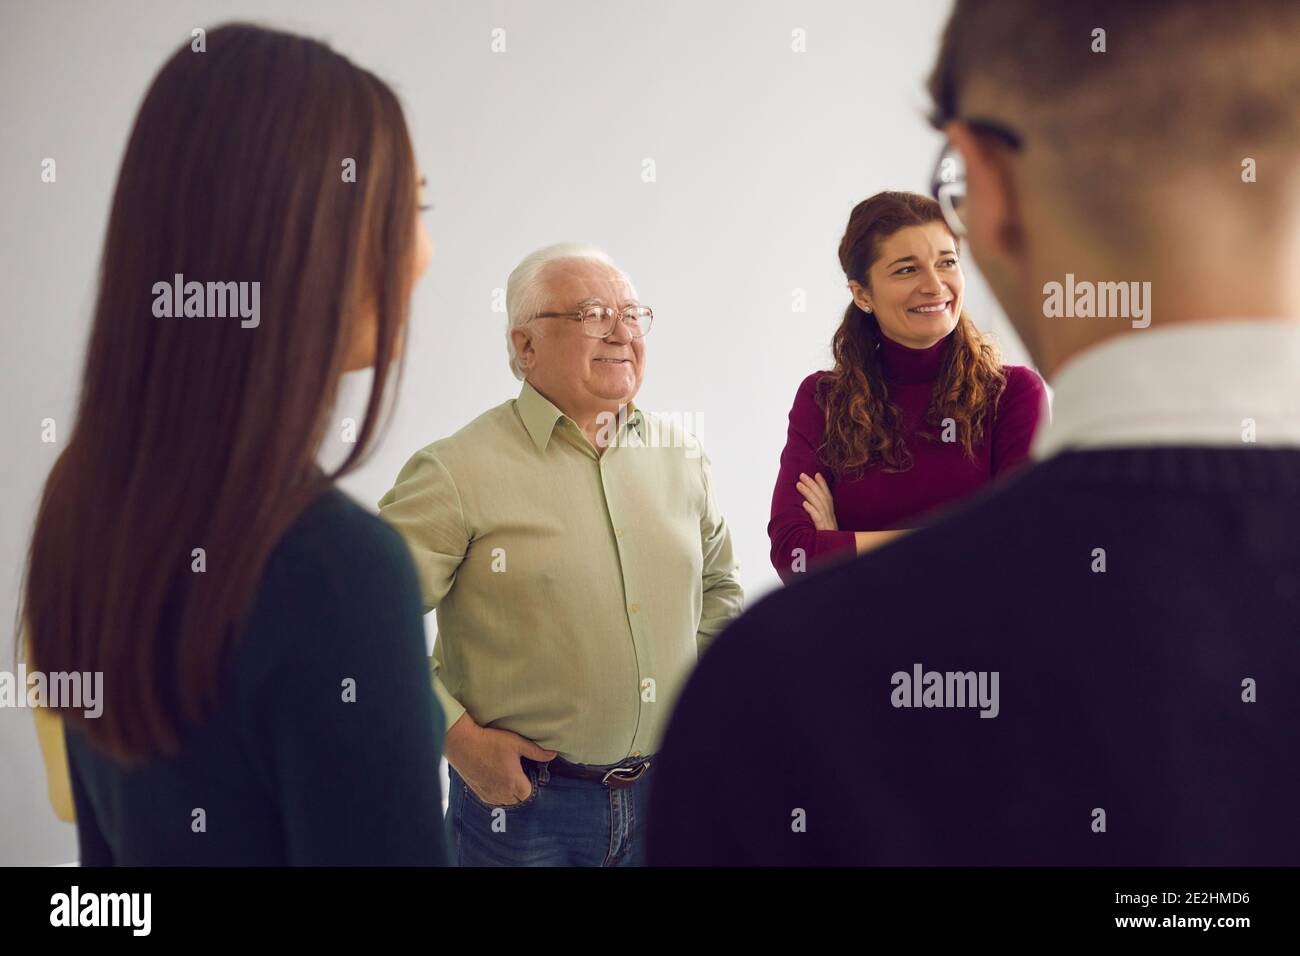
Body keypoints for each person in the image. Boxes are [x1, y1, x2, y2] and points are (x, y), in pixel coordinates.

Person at [648, 0, 1300, 865]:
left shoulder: (775, 691)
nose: (933, 282)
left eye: (941, 256)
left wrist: (857, 536)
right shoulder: (827, 412)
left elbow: (830, 550)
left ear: (981, 193)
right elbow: (797, 544)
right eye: (906, 266)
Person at [22, 23, 447, 865]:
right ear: (298, 237)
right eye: (408, 210)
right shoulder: (338, 573)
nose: (423, 255)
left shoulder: (84, 497)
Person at [378, 242, 744, 866]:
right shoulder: (455, 471)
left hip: (668, 795)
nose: (622, 332)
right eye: (593, 313)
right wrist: (458, 738)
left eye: (633, 314)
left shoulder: (681, 454)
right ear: (525, 347)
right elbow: (362, 625)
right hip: (523, 812)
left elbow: (719, 591)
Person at [768, 191, 1045, 583]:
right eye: (906, 270)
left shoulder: (1013, 393)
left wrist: (842, 544)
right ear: (862, 295)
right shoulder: (822, 400)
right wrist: (964, 538)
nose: (935, 286)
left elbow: (1022, 546)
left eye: (947, 262)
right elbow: (794, 555)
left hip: (983, 642)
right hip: (859, 642)